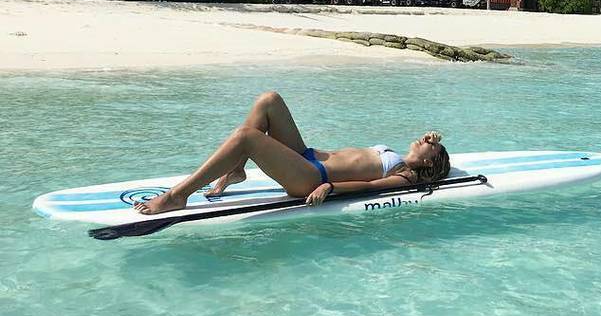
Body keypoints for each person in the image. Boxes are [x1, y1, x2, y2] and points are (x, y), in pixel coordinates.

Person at [133, 91, 450, 215]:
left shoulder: (406, 175)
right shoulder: (407, 157)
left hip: (312, 177)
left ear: (429, 161)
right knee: (268, 101)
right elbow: (426, 141)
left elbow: (369, 188)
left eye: (430, 146)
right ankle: (235, 171)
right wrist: (431, 138)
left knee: (247, 136)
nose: (425, 141)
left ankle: (178, 195)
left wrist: (331, 187)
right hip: (307, 156)